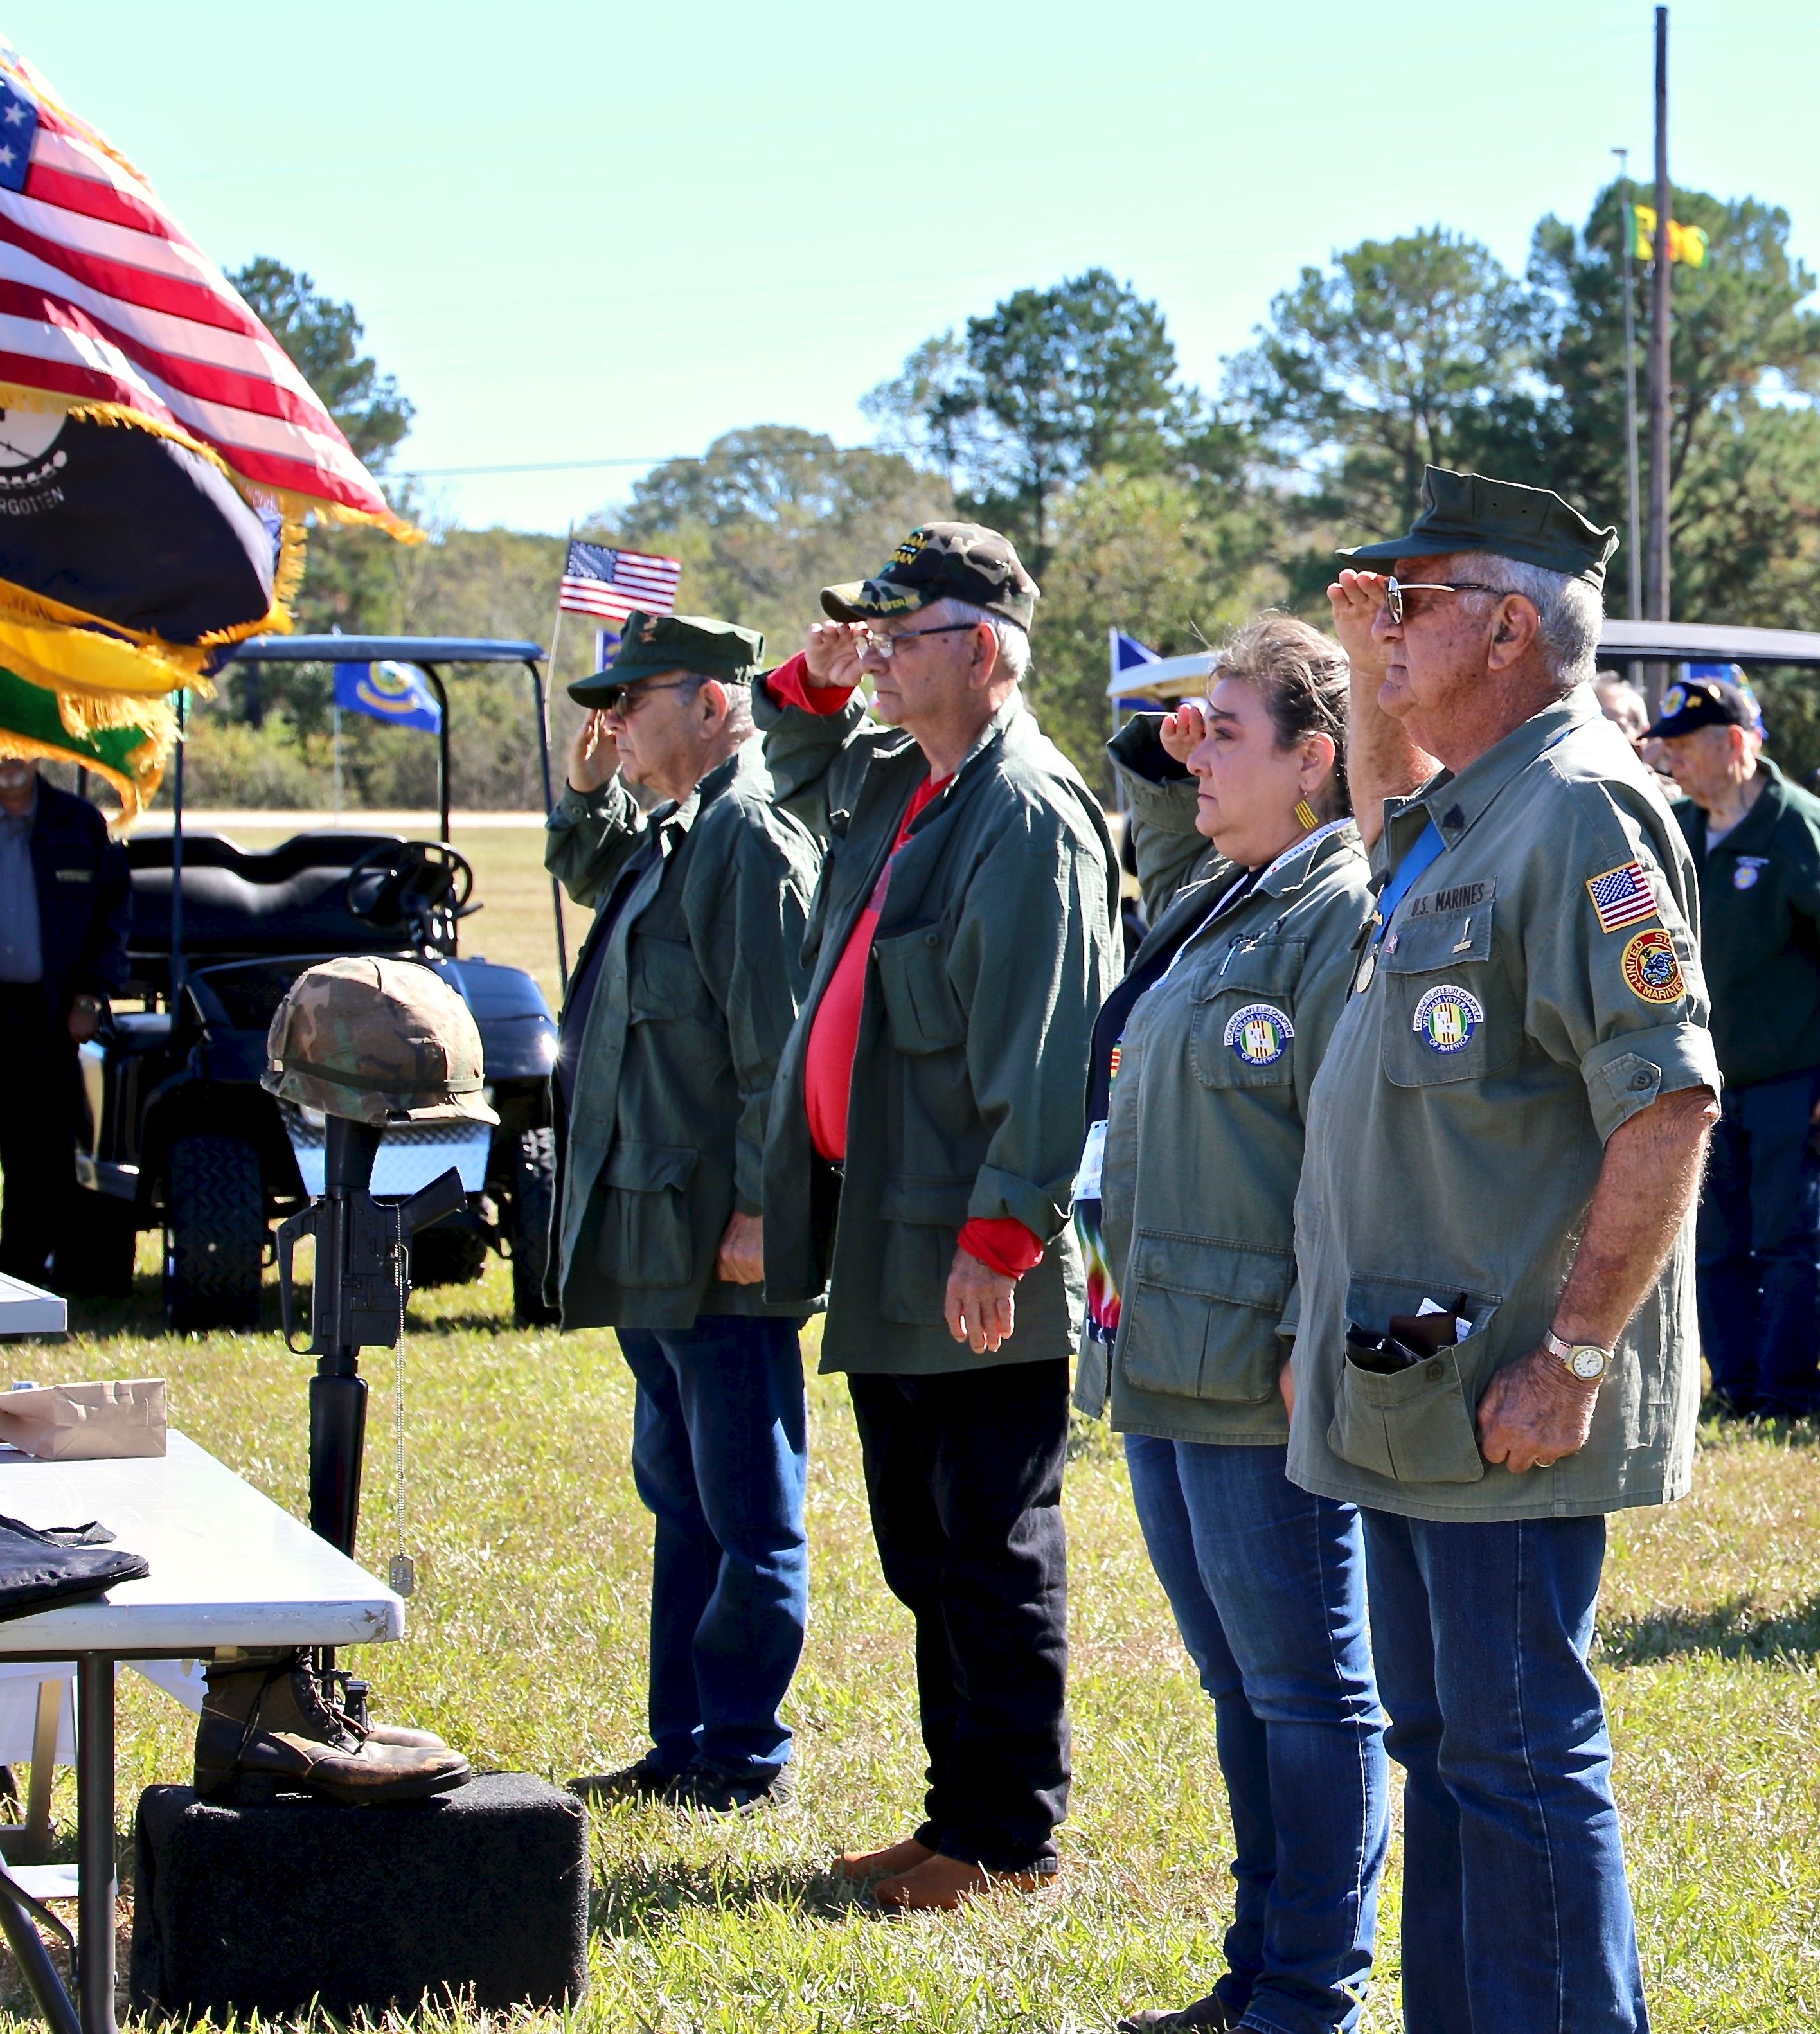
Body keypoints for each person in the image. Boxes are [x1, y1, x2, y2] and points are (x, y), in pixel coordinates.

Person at [1287, 467, 1718, 2033]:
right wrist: (1364, 664)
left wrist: (1577, 1357)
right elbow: (1385, 814)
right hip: (1420, 1372)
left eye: (1410, 602)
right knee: (1446, 1744)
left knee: (1520, 1753)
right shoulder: (1479, 800)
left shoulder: (1583, 804)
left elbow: (1664, 1103)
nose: (1381, 626)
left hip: (1508, 1384)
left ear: (1510, 624)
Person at [759, 522, 1120, 1912]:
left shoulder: (1023, 807)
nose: (880, 657)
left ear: (982, 649)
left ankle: (1009, 1836)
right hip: (896, 1231)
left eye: (904, 636)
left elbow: (1046, 1042)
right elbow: (783, 765)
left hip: (973, 1244)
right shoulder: (917, 782)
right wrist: (814, 673)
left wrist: (1005, 1237)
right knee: (926, 1542)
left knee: (990, 1541)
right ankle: (952, 1814)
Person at [1088, 617, 1389, 2034]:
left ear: (1317, 760)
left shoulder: (1343, 909)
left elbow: (1358, 1153)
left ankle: (1310, 1992)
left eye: (1230, 729)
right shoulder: (1223, 891)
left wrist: (1306, 1336)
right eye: (1194, 726)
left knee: (1307, 1687)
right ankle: (1256, 1969)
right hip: (1167, 1353)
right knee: (1240, 1682)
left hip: (1261, 1363)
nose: (1196, 749)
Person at [541, 614, 821, 1815]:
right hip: (653, 1234)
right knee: (684, 1494)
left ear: (714, 702)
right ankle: (683, 1739)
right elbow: (589, 866)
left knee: (747, 1508)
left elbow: (778, 1053)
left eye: (634, 699)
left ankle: (741, 1748)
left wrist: (765, 1211)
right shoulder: (679, 829)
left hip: (718, 1235)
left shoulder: (748, 836)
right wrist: (591, 776)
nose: (611, 720)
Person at [1643, 667, 1820, 1419]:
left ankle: (1788, 1391)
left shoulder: (1799, 828)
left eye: (1687, 746)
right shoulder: (1682, 832)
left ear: (1737, 743)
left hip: (1796, 1077)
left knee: (1790, 1243)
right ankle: (1736, 1386)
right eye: (1667, 747)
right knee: (1714, 1242)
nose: (1674, 761)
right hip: (1704, 1081)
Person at [0, 754, 122, 1283]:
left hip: (47, 1015)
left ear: (37, 753)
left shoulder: (78, 822)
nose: (8, 762)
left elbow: (112, 916)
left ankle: (20, 1278)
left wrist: (90, 997)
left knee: (37, 1158)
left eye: (19, 749)